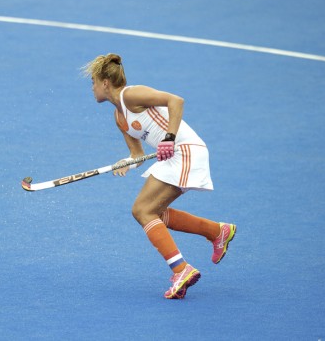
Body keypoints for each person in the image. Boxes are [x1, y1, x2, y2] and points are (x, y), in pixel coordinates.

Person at [83, 53, 236, 299]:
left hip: (185, 151)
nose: (91, 88)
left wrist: (169, 137)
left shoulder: (131, 95)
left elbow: (176, 101)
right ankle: (216, 231)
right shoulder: (118, 117)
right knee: (151, 212)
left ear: (105, 83)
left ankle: (181, 270)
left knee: (142, 210)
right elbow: (137, 153)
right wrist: (126, 162)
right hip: (173, 155)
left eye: (92, 82)